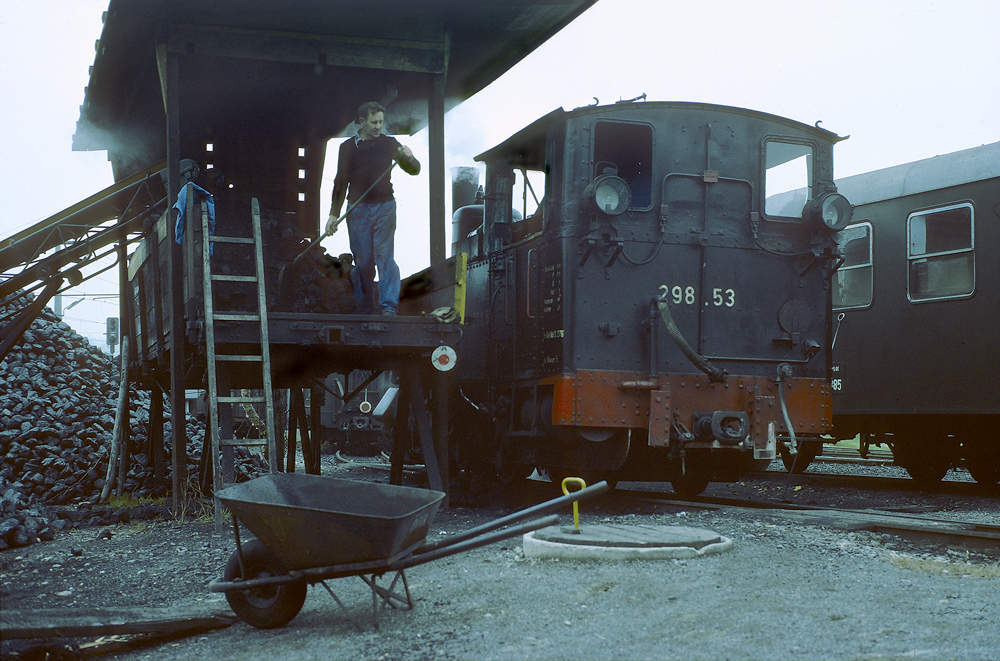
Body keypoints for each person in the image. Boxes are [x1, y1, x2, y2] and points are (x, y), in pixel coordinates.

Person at [329, 101, 421, 315]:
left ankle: (388, 307)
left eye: (381, 121)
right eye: (374, 122)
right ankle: (365, 309)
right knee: (363, 262)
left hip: (385, 207)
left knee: (384, 256)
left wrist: (409, 157)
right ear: (362, 121)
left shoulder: (389, 144)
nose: (379, 126)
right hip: (357, 209)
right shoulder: (348, 148)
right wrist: (334, 214)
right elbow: (340, 182)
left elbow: (414, 170)